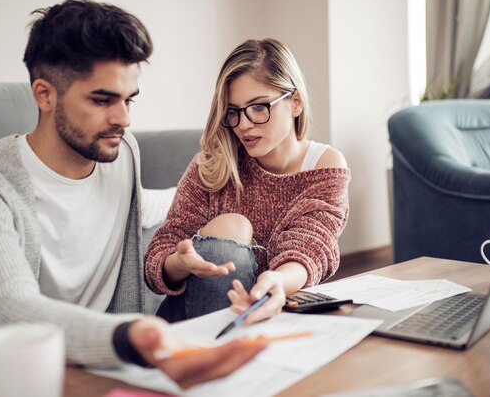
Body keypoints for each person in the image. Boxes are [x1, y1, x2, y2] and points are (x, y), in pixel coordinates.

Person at [0, 0, 264, 388]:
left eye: (128, 99)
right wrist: (132, 336)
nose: (124, 118)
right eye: (102, 100)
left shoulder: (123, 154)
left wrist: (230, 198)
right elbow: (10, 310)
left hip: (102, 373)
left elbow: (146, 204)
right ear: (44, 95)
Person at [145, 38, 350, 324]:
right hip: (191, 323)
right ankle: (212, 354)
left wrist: (277, 280)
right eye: (233, 111)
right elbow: (159, 255)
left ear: (295, 103)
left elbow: (311, 247)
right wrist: (179, 263)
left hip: (272, 311)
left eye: (258, 107)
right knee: (233, 225)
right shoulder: (214, 163)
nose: (243, 124)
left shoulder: (324, 166)